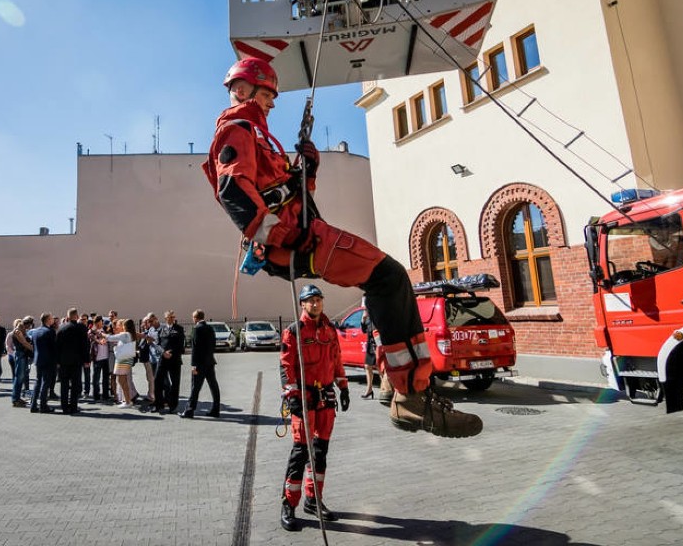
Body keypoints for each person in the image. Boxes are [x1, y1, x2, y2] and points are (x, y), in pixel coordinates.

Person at [202, 57, 481, 438]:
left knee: (385, 281)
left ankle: (398, 385)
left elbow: (289, 197)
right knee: (388, 278)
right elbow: (233, 191)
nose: (272, 103)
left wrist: (307, 173)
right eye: (267, 94)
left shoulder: (258, 136)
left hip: (303, 236)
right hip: (298, 242)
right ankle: (411, 396)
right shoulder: (237, 130)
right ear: (243, 90)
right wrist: (281, 236)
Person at [278, 285, 350, 532]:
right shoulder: (294, 332)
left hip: (326, 399)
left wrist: (344, 387)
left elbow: (337, 360)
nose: (316, 304)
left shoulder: (330, 330)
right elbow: (286, 367)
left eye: (319, 299)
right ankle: (288, 505)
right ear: (302, 304)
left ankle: (313, 500)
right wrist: (292, 396)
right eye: (311, 300)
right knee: (300, 453)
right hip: (305, 400)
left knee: (321, 453)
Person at [179, 309, 220, 419]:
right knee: (213, 386)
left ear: (196, 318)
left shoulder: (197, 329)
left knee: (195, 387)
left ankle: (189, 411)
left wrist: (194, 365)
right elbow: (213, 344)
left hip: (200, 363)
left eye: (193, 317)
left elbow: (195, 349)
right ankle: (216, 410)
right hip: (210, 361)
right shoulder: (210, 328)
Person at [56, 308, 90, 414]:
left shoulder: (61, 328)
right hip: (76, 361)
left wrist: (57, 360)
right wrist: (86, 359)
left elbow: (57, 346)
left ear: (68, 316)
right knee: (75, 385)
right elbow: (85, 345)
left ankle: (64, 407)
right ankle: (73, 407)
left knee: (64, 384)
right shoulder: (81, 328)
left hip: (63, 361)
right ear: (76, 316)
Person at [155, 311, 185, 414]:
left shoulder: (179, 329)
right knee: (157, 381)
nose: (171, 318)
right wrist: (163, 352)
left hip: (174, 359)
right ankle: (158, 405)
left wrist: (170, 352)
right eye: (169, 317)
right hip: (163, 359)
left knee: (175, 383)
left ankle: (173, 406)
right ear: (165, 318)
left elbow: (181, 346)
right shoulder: (162, 329)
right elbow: (157, 344)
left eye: (173, 316)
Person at [28, 312, 58, 414]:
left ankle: (33, 405)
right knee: (46, 383)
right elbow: (54, 347)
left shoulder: (35, 331)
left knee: (38, 382)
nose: (53, 320)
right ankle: (43, 406)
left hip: (38, 359)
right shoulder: (50, 331)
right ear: (47, 320)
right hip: (48, 361)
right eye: (51, 318)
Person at [108, 319, 140, 409]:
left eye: (123, 325)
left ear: (126, 326)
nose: (121, 326)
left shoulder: (125, 334)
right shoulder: (130, 334)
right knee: (122, 381)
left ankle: (127, 401)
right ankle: (127, 400)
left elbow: (110, 338)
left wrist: (100, 334)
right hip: (125, 360)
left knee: (122, 381)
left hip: (123, 360)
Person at [11, 316, 34, 407]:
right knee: (19, 378)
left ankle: (17, 398)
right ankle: (15, 399)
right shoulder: (17, 331)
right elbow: (24, 343)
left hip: (23, 355)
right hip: (20, 355)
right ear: (27, 323)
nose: (30, 328)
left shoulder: (22, 330)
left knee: (21, 378)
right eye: (30, 325)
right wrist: (35, 350)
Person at [89, 316, 110, 402]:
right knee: (96, 378)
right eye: (96, 322)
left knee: (105, 378)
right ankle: (96, 395)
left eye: (99, 322)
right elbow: (90, 337)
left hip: (106, 357)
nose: (98, 324)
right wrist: (97, 340)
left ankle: (105, 395)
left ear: (102, 321)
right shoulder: (92, 331)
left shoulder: (106, 330)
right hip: (97, 358)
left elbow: (109, 338)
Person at [360, 308, 376, 399]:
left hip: (378, 343)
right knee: (367, 366)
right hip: (371, 344)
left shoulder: (378, 316)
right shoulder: (369, 319)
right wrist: (363, 319)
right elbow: (364, 330)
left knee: (380, 367)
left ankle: (386, 389)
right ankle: (369, 389)